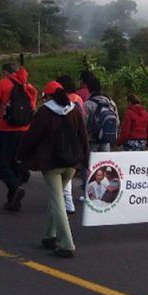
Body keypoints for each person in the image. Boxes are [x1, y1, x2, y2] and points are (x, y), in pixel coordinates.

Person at [17, 81, 88, 258]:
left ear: (48, 96)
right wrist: (84, 160)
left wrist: (21, 156)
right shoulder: (75, 111)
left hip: (51, 165)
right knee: (55, 197)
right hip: (71, 164)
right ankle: (49, 235)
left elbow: (31, 138)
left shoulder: (44, 113)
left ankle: (66, 244)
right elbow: (83, 137)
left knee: (57, 202)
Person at [0, 63, 38, 212]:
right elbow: (33, 110)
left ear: (6, 72)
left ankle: (15, 188)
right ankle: (13, 201)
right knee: (16, 164)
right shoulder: (29, 87)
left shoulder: (4, 83)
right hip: (25, 131)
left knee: (1, 164)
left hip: (6, 130)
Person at [56, 74, 85, 214]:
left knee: (62, 172)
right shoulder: (78, 98)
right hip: (76, 139)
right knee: (68, 171)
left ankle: (67, 203)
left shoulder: (64, 100)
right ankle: (66, 202)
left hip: (65, 140)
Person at [83, 77, 119, 153]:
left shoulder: (88, 104)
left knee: (92, 164)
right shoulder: (111, 102)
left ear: (89, 89)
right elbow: (117, 122)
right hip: (106, 142)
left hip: (92, 142)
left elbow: (84, 124)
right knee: (105, 163)